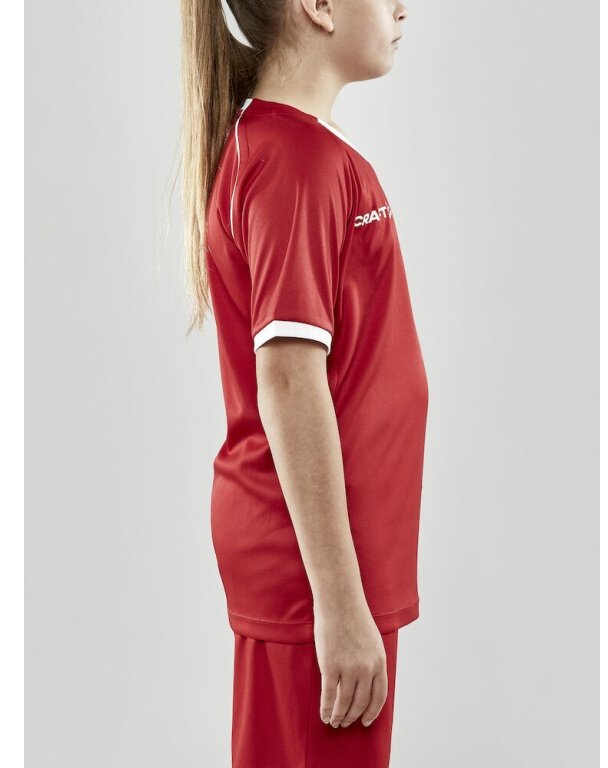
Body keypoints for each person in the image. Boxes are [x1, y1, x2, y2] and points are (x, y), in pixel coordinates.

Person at [178, 1, 426, 765]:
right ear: (317, 5)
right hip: (316, 579)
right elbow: (288, 379)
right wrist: (341, 604)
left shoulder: (292, 150)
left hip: (323, 570)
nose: (403, 7)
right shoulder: (297, 162)